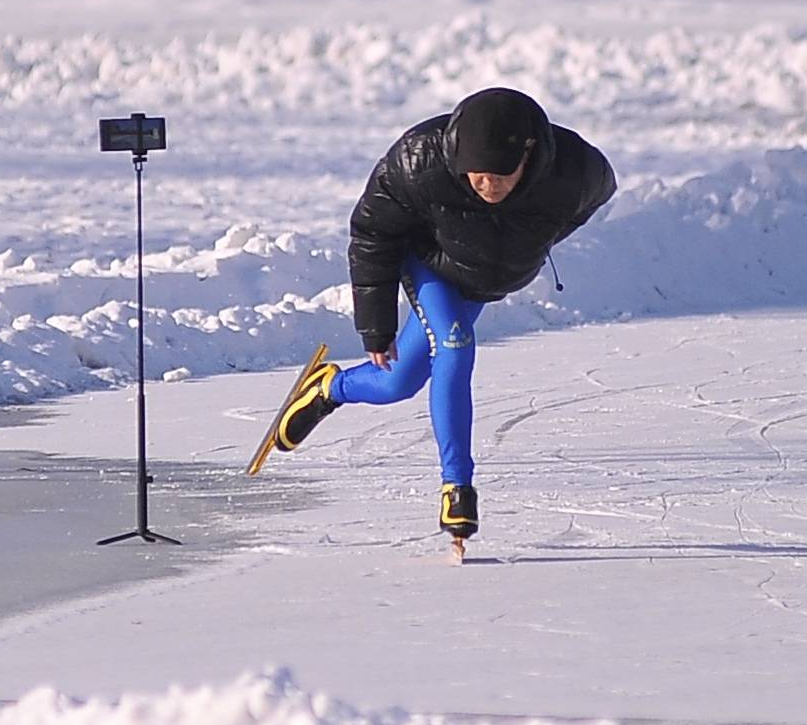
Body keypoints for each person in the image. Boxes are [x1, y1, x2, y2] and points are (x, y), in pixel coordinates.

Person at [264, 86, 616, 540]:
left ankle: (328, 388)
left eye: (500, 176)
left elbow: (594, 199)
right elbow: (371, 234)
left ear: (529, 155)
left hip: (480, 275)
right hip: (428, 261)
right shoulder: (418, 160)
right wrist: (376, 327)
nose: (488, 187)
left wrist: (536, 241)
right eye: (477, 177)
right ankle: (457, 487)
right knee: (455, 346)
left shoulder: (577, 170)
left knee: (399, 382)